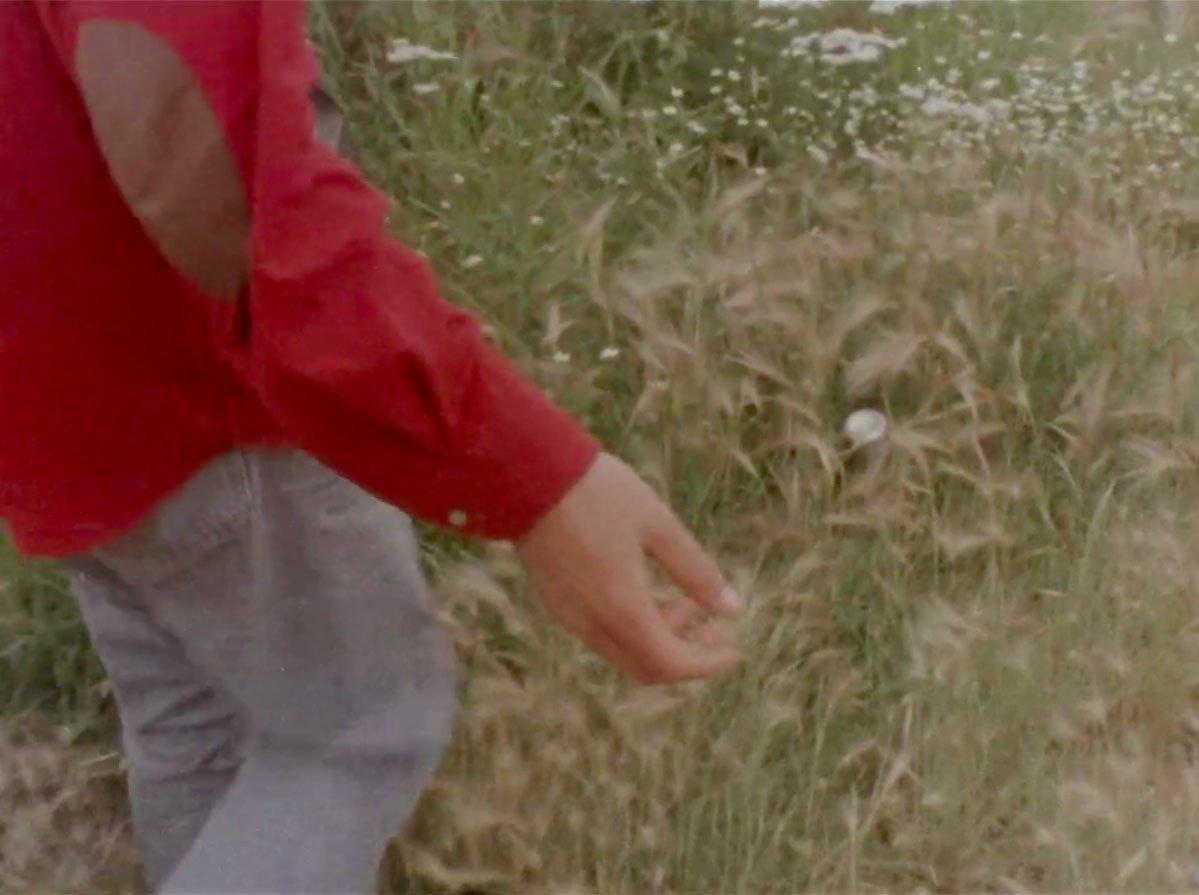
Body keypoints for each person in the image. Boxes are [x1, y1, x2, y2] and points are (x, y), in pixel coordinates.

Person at [0, 2, 744, 891]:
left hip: (50, 390)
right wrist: (537, 476)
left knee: (202, 722)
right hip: (201, 399)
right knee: (357, 732)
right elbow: (245, 211)